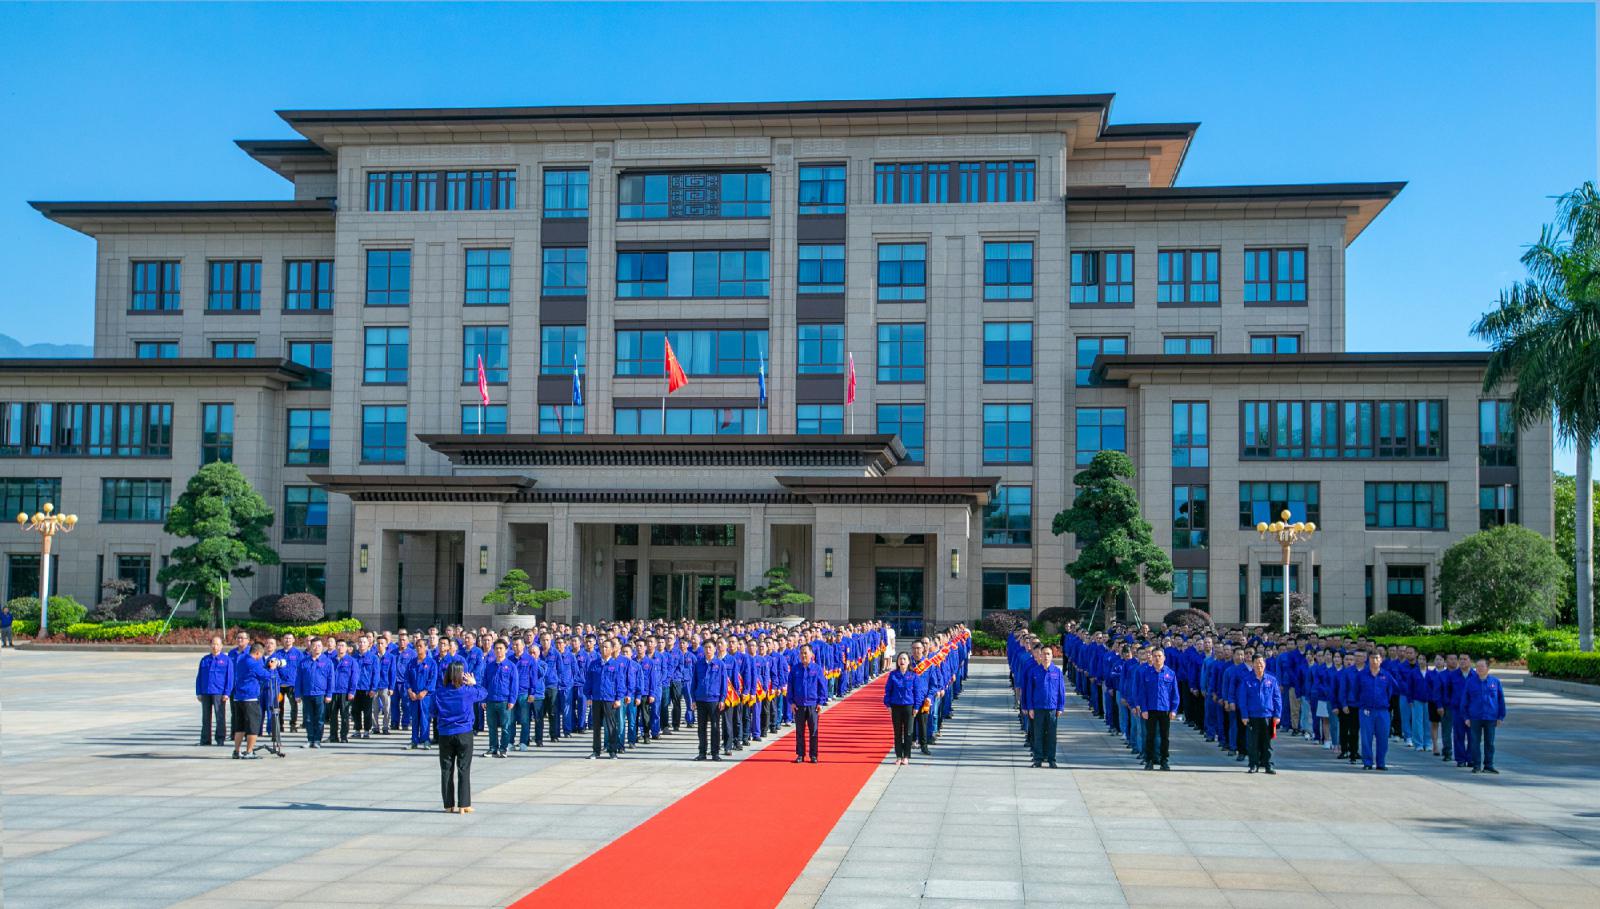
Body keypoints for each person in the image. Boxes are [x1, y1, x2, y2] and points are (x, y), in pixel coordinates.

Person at [431, 662, 486, 813]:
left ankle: (448, 805)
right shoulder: (467, 691)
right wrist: (474, 683)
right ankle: (464, 804)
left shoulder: (439, 692)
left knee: (446, 770)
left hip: (445, 733)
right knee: (464, 769)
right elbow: (483, 693)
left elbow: (433, 712)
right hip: (464, 732)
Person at [230, 643, 278, 760]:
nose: (260, 658)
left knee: (240, 726)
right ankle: (249, 751)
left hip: (238, 697)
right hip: (250, 697)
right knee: (253, 725)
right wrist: (272, 668)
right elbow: (266, 676)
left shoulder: (241, 660)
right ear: (257, 653)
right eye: (260, 655)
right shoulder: (252, 663)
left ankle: (236, 751)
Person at [1022, 645, 1066, 769]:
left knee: (1051, 735)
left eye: (1048, 654)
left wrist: (1060, 707)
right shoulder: (1034, 671)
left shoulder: (1057, 671)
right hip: (1038, 708)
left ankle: (1051, 759)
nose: (1046, 656)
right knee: (1038, 735)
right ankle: (1038, 759)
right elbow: (1029, 691)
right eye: (1044, 654)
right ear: (1040, 656)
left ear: (1052, 656)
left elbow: (1061, 691)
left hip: (1052, 708)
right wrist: (1030, 707)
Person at [1239, 655, 1283, 774]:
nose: (1259, 665)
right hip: (1252, 716)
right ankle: (1253, 764)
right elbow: (1242, 699)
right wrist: (1244, 715)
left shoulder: (1272, 680)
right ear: (1252, 664)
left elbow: (1277, 698)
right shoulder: (1246, 680)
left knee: (1267, 742)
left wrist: (1277, 715)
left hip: (1268, 716)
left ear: (1265, 664)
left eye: (1261, 663)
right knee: (1253, 743)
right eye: (1256, 663)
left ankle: (1268, 765)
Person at [1139, 649, 1180, 771]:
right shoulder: (1146, 673)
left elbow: (1175, 693)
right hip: (1150, 709)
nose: (1157, 658)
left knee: (1164, 737)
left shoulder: (1170, 673)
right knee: (1150, 736)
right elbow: (1142, 692)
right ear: (1151, 657)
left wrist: (1174, 709)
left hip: (1165, 709)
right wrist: (1143, 709)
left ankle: (1164, 760)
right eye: (1155, 656)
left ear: (1164, 658)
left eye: (1159, 656)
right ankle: (1149, 760)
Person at [1464, 658, 1506, 774]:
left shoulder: (1495, 682)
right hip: (1475, 717)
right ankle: (1476, 765)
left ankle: (1488, 765)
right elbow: (1465, 700)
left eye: (1482, 666)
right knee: (1475, 742)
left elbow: (1501, 700)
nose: (1479, 669)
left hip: (1490, 717)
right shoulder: (1470, 682)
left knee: (1490, 743)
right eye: (1477, 666)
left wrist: (1500, 716)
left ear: (1488, 668)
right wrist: (1466, 717)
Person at [789, 644, 829, 764]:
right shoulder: (795, 669)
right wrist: (791, 702)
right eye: (801, 653)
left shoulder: (817, 669)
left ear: (811, 654)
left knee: (813, 731)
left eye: (805, 653)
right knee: (799, 731)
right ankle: (800, 754)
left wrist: (821, 702)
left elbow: (822, 686)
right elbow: (790, 687)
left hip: (813, 704)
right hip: (799, 705)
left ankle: (813, 755)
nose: (803, 655)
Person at [1356, 651, 1396, 770]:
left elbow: (1391, 691)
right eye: (1372, 658)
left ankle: (1381, 763)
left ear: (1381, 660)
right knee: (1366, 737)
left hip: (1382, 711)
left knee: (1383, 737)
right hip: (1366, 710)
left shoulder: (1386, 675)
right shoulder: (1362, 675)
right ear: (1368, 660)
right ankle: (1367, 762)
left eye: (1377, 658)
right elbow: (1356, 691)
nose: (1374, 661)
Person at [691, 641, 728, 761]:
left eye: (710, 647)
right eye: (706, 647)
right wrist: (693, 699)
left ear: (715, 649)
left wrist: (722, 699)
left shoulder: (720, 664)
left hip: (714, 699)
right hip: (701, 699)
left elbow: (724, 683)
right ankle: (702, 752)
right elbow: (694, 682)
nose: (708, 650)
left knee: (715, 726)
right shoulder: (698, 664)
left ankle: (715, 753)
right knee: (701, 727)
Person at [883, 652, 922, 765]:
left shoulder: (913, 675)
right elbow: (888, 691)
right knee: (898, 733)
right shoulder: (893, 675)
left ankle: (906, 756)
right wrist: (888, 705)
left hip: (909, 706)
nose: (902, 661)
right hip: (896, 706)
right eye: (900, 659)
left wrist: (917, 706)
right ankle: (899, 756)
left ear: (908, 661)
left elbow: (917, 692)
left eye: (904, 659)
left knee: (908, 732)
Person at [195, 636, 233, 746]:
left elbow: (230, 677)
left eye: (217, 644)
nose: (215, 646)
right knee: (206, 717)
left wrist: (227, 692)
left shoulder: (226, 660)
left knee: (220, 716)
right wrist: (199, 692)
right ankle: (205, 740)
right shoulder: (205, 659)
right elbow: (199, 676)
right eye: (213, 644)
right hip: (206, 691)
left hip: (219, 692)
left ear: (221, 646)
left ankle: (220, 738)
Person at [482, 640, 517, 758]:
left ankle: (503, 748)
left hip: (504, 701)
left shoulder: (511, 666)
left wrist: (512, 700)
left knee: (505, 727)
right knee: (492, 727)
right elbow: (485, 683)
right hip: (491, 700)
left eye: (501, 648)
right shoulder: (489, 666)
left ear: (506, 650)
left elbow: (514, 685)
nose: (498, 650)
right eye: (496, 648)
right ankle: (493, 748)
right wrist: (483, 699)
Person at [295, 638, 333, 748]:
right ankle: (310, 739)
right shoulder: (304, 662)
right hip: (307, 694)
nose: (317, 648)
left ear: (322, 647)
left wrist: (329, 694)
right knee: (308, 718)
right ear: (310, 647)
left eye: (319, 645)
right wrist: (297, 694)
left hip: (320, 694)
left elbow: (331, 679)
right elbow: (298, 679)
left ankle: (317, 740)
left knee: (319, 718)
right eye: (314, 646)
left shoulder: (327, 661)